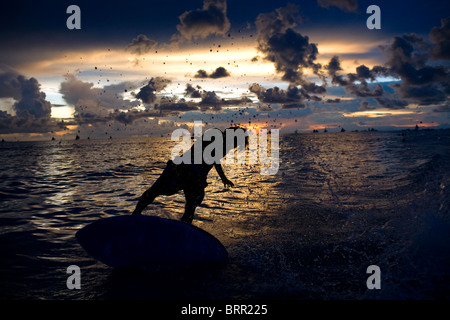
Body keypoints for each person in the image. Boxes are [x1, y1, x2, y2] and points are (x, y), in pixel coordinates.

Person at [132, 127, 246, 224]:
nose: (235, 147)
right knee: (157, 191)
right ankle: (135, 214)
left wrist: (222, 177)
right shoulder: (215, 135)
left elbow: (213, 158)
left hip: (194, 175)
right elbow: (210, 154)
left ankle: (184, 228)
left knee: (191, 205)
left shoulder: (224, 144)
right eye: (237, 143)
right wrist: (222, 177)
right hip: (184, 169)